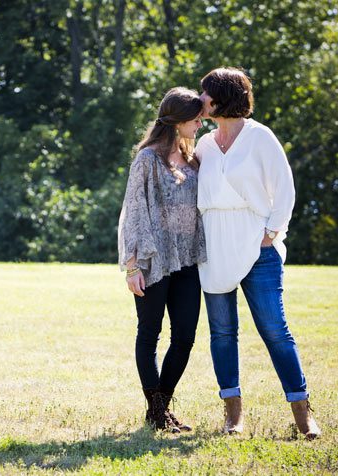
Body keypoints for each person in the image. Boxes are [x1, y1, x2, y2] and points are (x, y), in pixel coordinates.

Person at [195, 67, 321, 439]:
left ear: (220, 97)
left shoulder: (260, 137)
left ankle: (302, 412)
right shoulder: (203, 144)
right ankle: (233, 415)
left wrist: (271, 234)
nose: (199, 99)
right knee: (222, 333)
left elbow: (285, 190)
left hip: (257, 247)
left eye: (205, 93)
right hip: (214, 248)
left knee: (274, 330)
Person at [118, 87, 206, 433]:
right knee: (149, 334)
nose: (201, 122)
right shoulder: (147, 159)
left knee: (184, 336)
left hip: (187, 260)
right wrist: (132, 266)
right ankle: (157, 413)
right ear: (178, 119)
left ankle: (159, 409)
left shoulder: (194, 158)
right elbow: (133, 212)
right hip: (154, 259)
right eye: (196, 117)